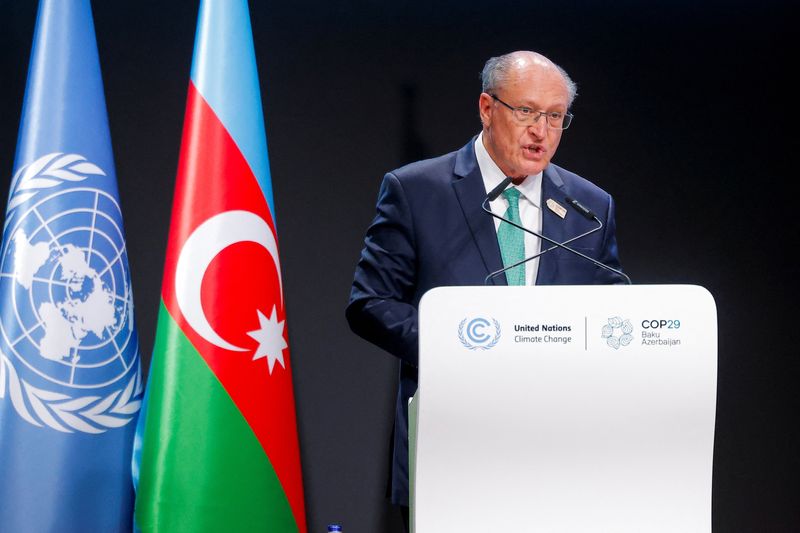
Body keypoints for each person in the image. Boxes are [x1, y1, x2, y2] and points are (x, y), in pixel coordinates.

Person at [345, 50, 623, 528]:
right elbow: (370, 303)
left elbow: (609, 308)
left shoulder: (589, 205)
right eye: (527, 111)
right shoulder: (416, 190)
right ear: (487, 108)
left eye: (556, 117)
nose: (542, 131)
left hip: (557, 449)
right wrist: (463, 346)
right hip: (454, 441)